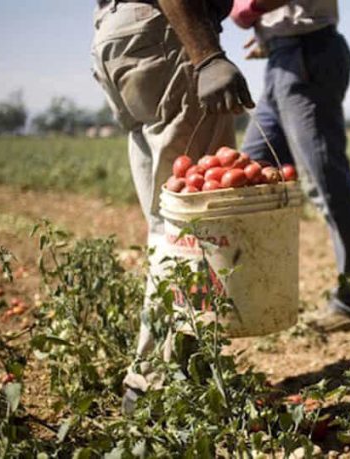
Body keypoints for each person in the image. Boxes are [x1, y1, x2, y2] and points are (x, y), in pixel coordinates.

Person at [90, 0, 255, 414]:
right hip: (168, 33)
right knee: (193, 225)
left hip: (119, 35)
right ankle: (156, 386)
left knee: (169, 223)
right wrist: (207, 55)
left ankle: (178, 373)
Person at [230, 0, 350, 332]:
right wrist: (269, 32)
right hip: (284, 56)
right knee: (250, 172)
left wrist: (249, 9)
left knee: (326, 182)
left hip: (308, 53)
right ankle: (254, 292)